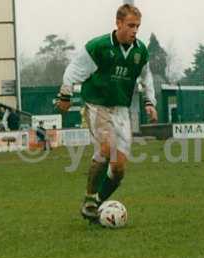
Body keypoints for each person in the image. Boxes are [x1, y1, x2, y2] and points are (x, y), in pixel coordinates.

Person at [55, 4, 157, 223]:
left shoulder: (140, 51)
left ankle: (97, 205)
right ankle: (90, 199)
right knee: (106, 147)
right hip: (97, 105)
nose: (134, 30)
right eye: (130, 25)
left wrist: (150, 102)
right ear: (118, 23)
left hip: (121, 110)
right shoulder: (98, 47)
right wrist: (65, 95)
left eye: (137, 26)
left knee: (119, 169)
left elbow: (147, 78)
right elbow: (73, 71)